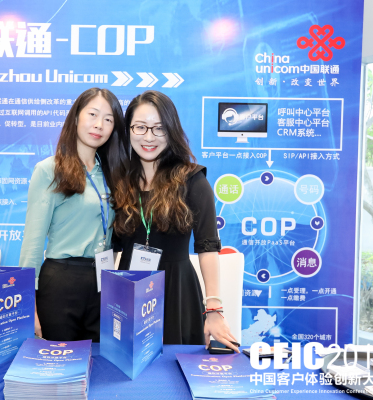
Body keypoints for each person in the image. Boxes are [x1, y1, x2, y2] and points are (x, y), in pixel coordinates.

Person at [112, 90, 239, 351]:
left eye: (159, 128)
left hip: (177, 291)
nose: (149, 137)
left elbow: (207, 246)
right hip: (128, 290)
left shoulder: (192, 180)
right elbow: (110, 247)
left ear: (171, 131)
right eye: (140, 127)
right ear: (128, 130)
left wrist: (214, 309)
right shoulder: (119, 181)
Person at [19, 87, 126, 342]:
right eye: (93, 114)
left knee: (101, 361)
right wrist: (26, 303)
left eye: (108, 119)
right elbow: (33, 242)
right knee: (59, 361)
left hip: (103, 282)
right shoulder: (49, 170)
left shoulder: (111, 173)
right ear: (76, 117)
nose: (99, 125)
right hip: (61, 282)